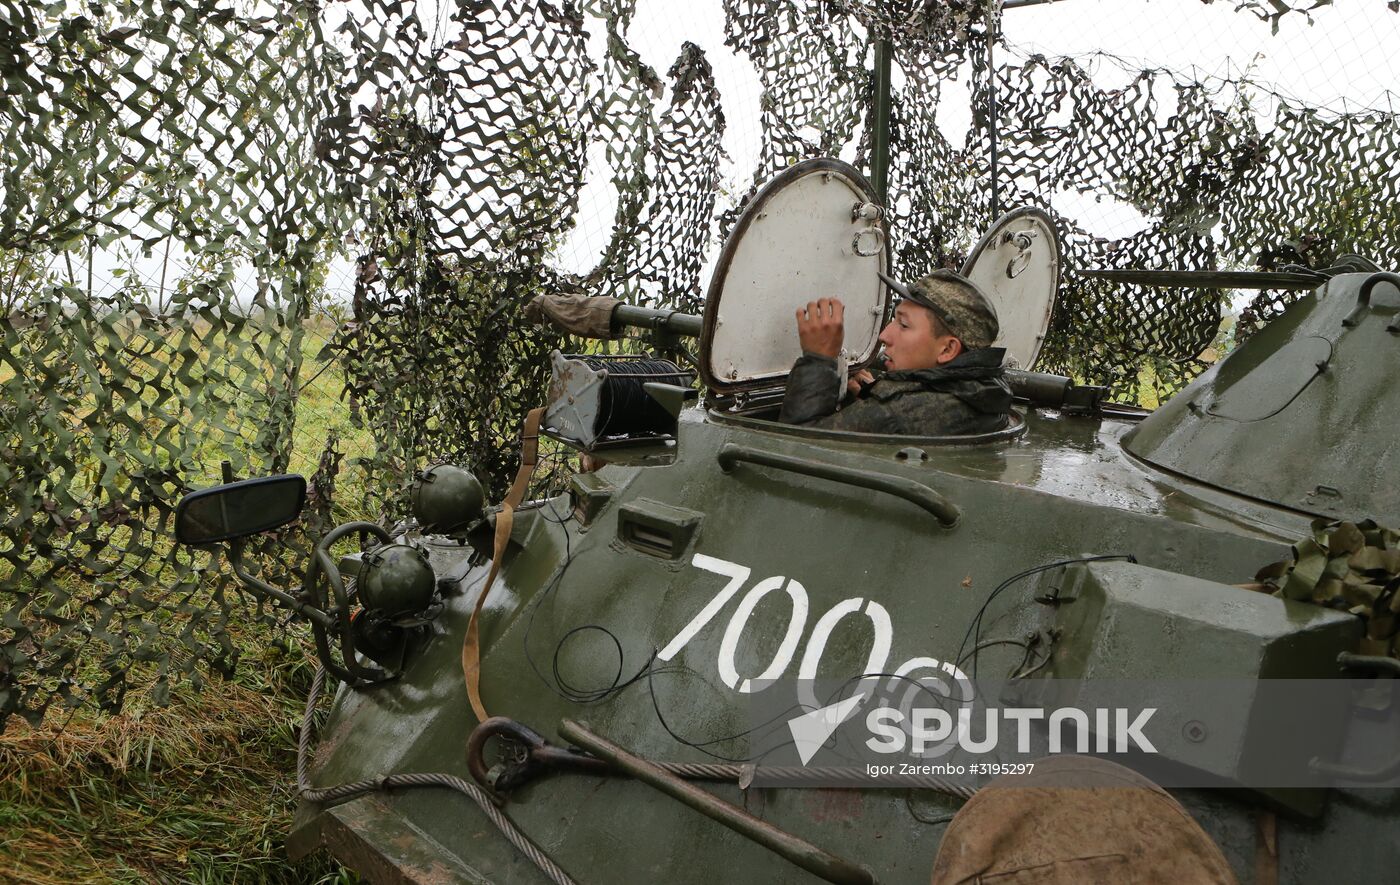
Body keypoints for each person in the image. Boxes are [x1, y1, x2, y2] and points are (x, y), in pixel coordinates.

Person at [777, 269, 1012, 435]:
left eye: (904, 325)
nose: (884, 336)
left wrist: (819, 359)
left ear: (948, 349)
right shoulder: (985, 391)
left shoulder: (897, 414)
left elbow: (795, 448)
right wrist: (871, 394)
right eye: (894, 319)